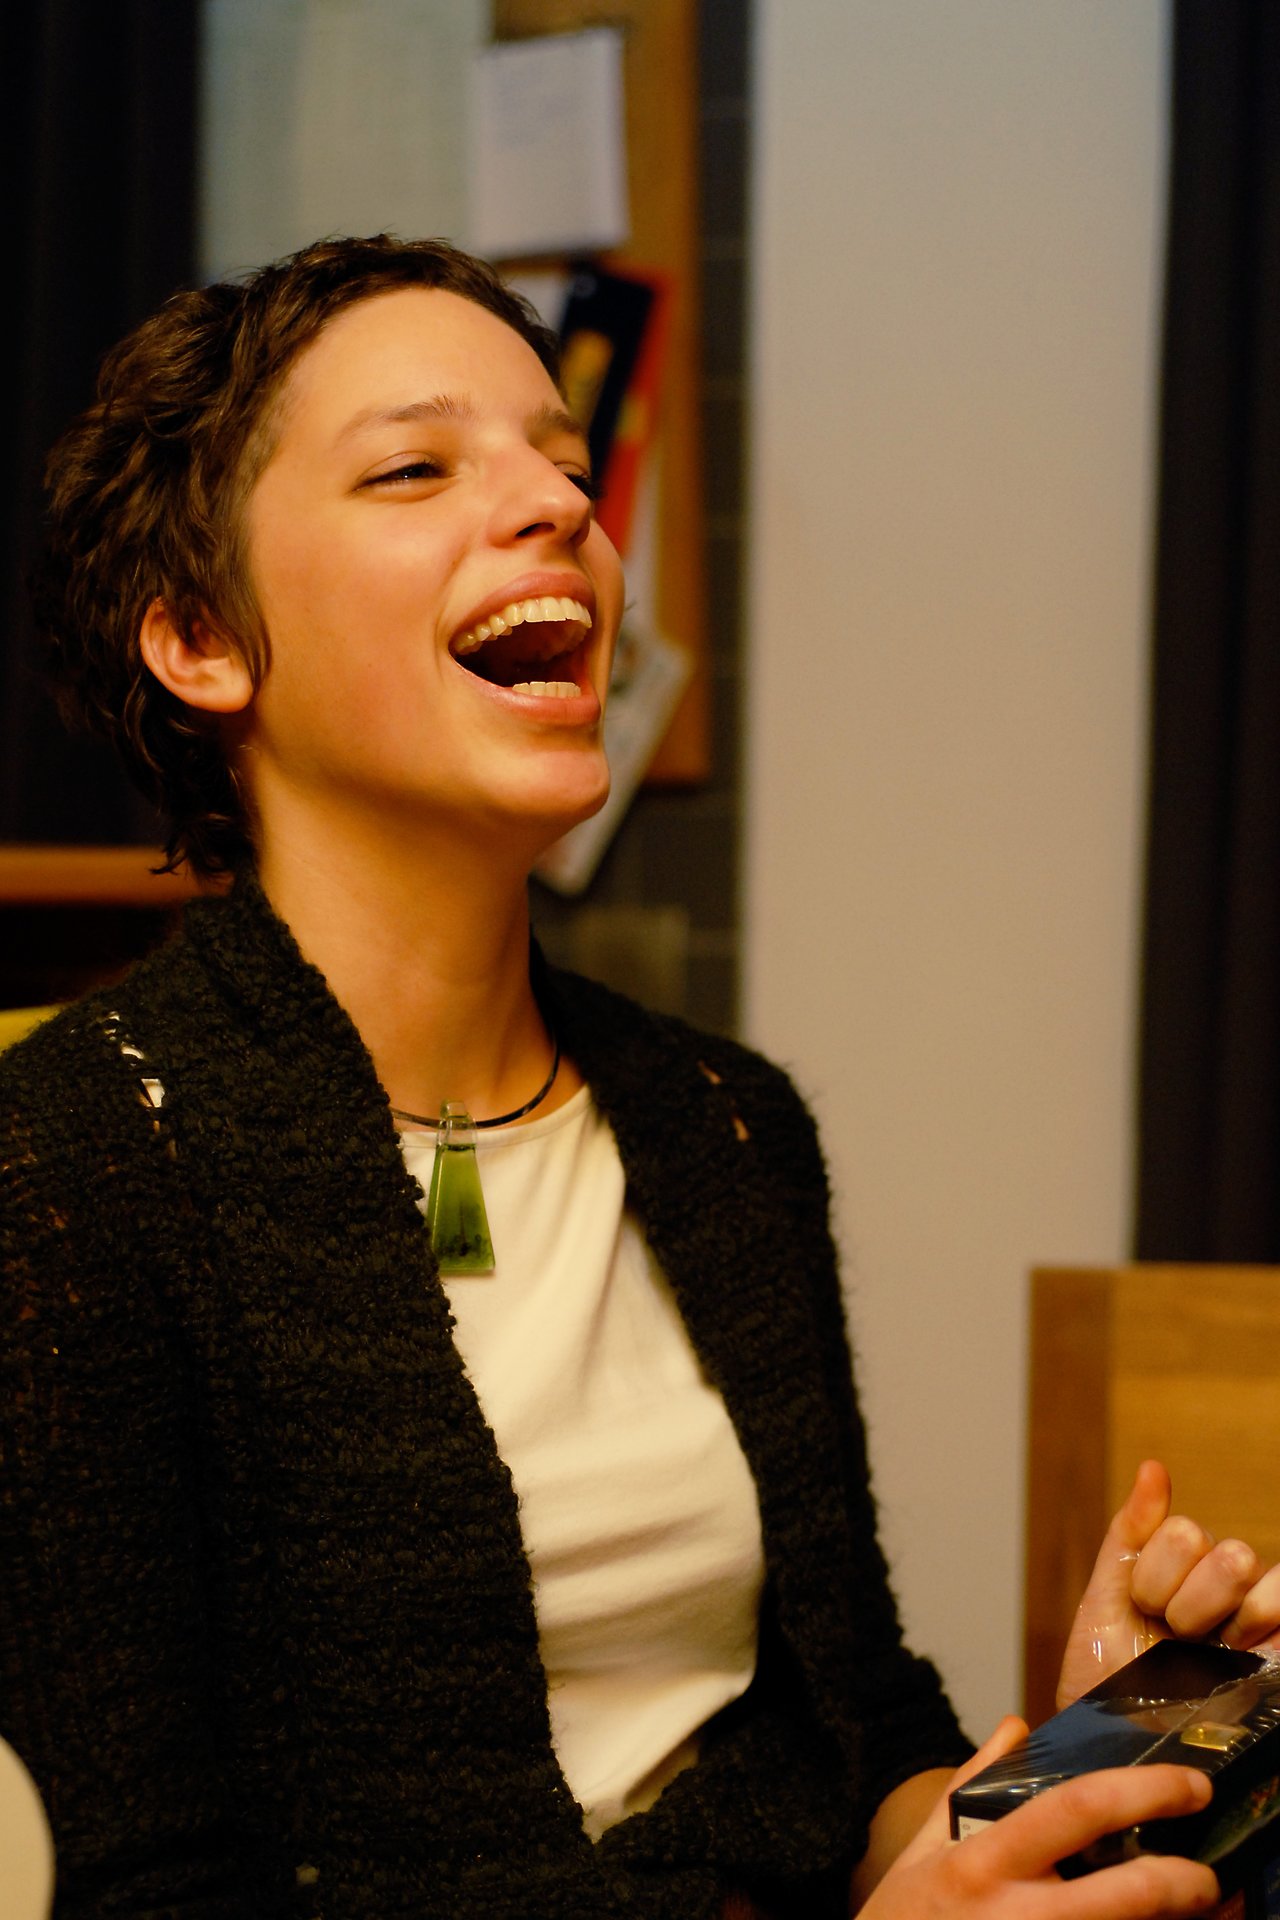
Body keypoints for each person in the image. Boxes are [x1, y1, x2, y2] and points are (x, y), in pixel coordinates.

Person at [0, 235, 1274, 1920]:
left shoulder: (729, 1125)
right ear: (200, 639)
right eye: (415, 468)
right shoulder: (71, 1169)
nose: (557, 506)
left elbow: (857, 1744)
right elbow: (151, 1894)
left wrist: (1067, 1780)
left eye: (567, 466)